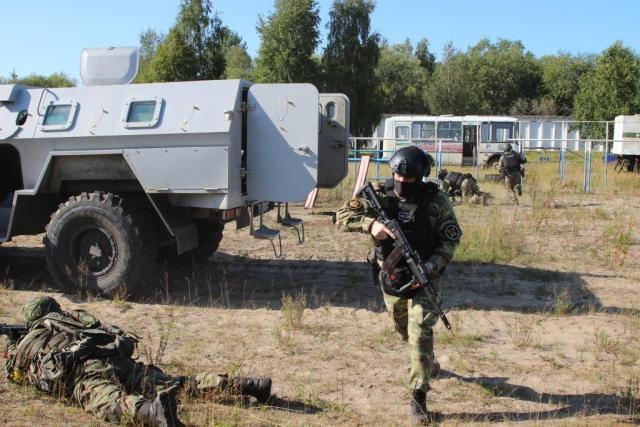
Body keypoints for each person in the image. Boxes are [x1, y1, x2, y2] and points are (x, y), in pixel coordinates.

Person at [3, 296, 272, 427]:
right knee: (177, 382)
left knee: (111, 402)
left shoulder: (32, 339)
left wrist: (10, 343)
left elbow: (13, 372)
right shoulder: (75, 318)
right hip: (114, 356)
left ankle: (153, 412)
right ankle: (248, 385)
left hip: (84, 371)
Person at [336, 146, 461, 424]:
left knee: (420, 330)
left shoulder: (436, 200)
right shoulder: (379, 194)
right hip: (392, 277)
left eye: (409, 178)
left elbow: (450, 239)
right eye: (397, 176)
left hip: (425, 275)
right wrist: (370, 225)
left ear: (421, 176)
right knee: (403, 329)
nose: (402, 182)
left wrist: (433, 264)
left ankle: (418, 397)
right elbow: (342, 216)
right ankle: (427, 360)